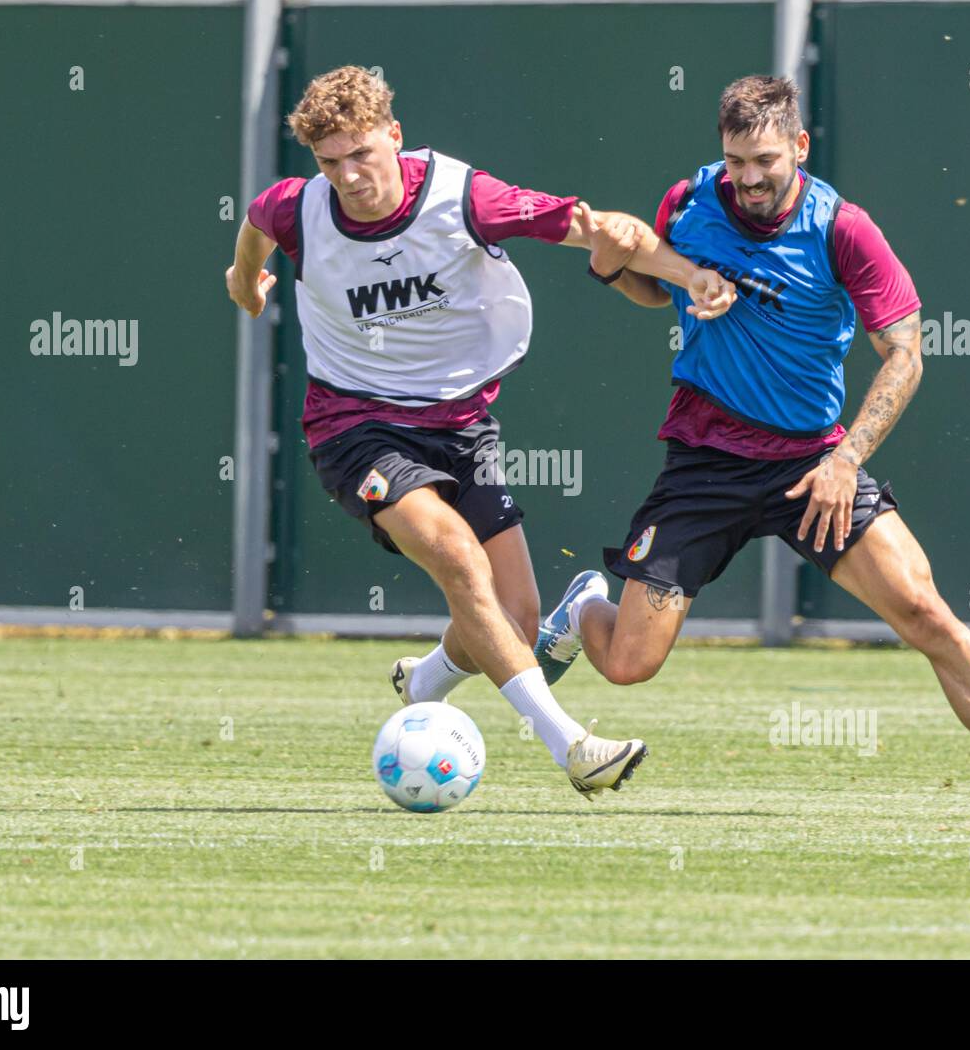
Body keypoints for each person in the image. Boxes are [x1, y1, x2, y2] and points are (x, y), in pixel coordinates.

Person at [537, 75, 970, 820]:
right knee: (627, 664)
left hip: (812, 463)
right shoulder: (688, 202)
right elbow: (658, 287)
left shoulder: (844, 229)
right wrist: (615, 267)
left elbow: (904, 355)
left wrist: (845, 460)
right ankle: (587, 600)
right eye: (735, 160)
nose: (747, 178)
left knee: (921, 606)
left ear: (800, 148)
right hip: (705, 462)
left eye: (766, 161)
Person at [225, 65, 735, 799]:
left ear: (394, 137)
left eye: (362, 153)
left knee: (516, 621)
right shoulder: (296, 209)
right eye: (330, 162)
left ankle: (427, 677)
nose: (349, 176)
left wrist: (688, 275)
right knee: (461, 560)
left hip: (462, 427)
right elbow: (254, 225)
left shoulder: (460, 196)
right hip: (355, 426)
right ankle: (574, 747)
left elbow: (587, 227)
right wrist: (245, 282)